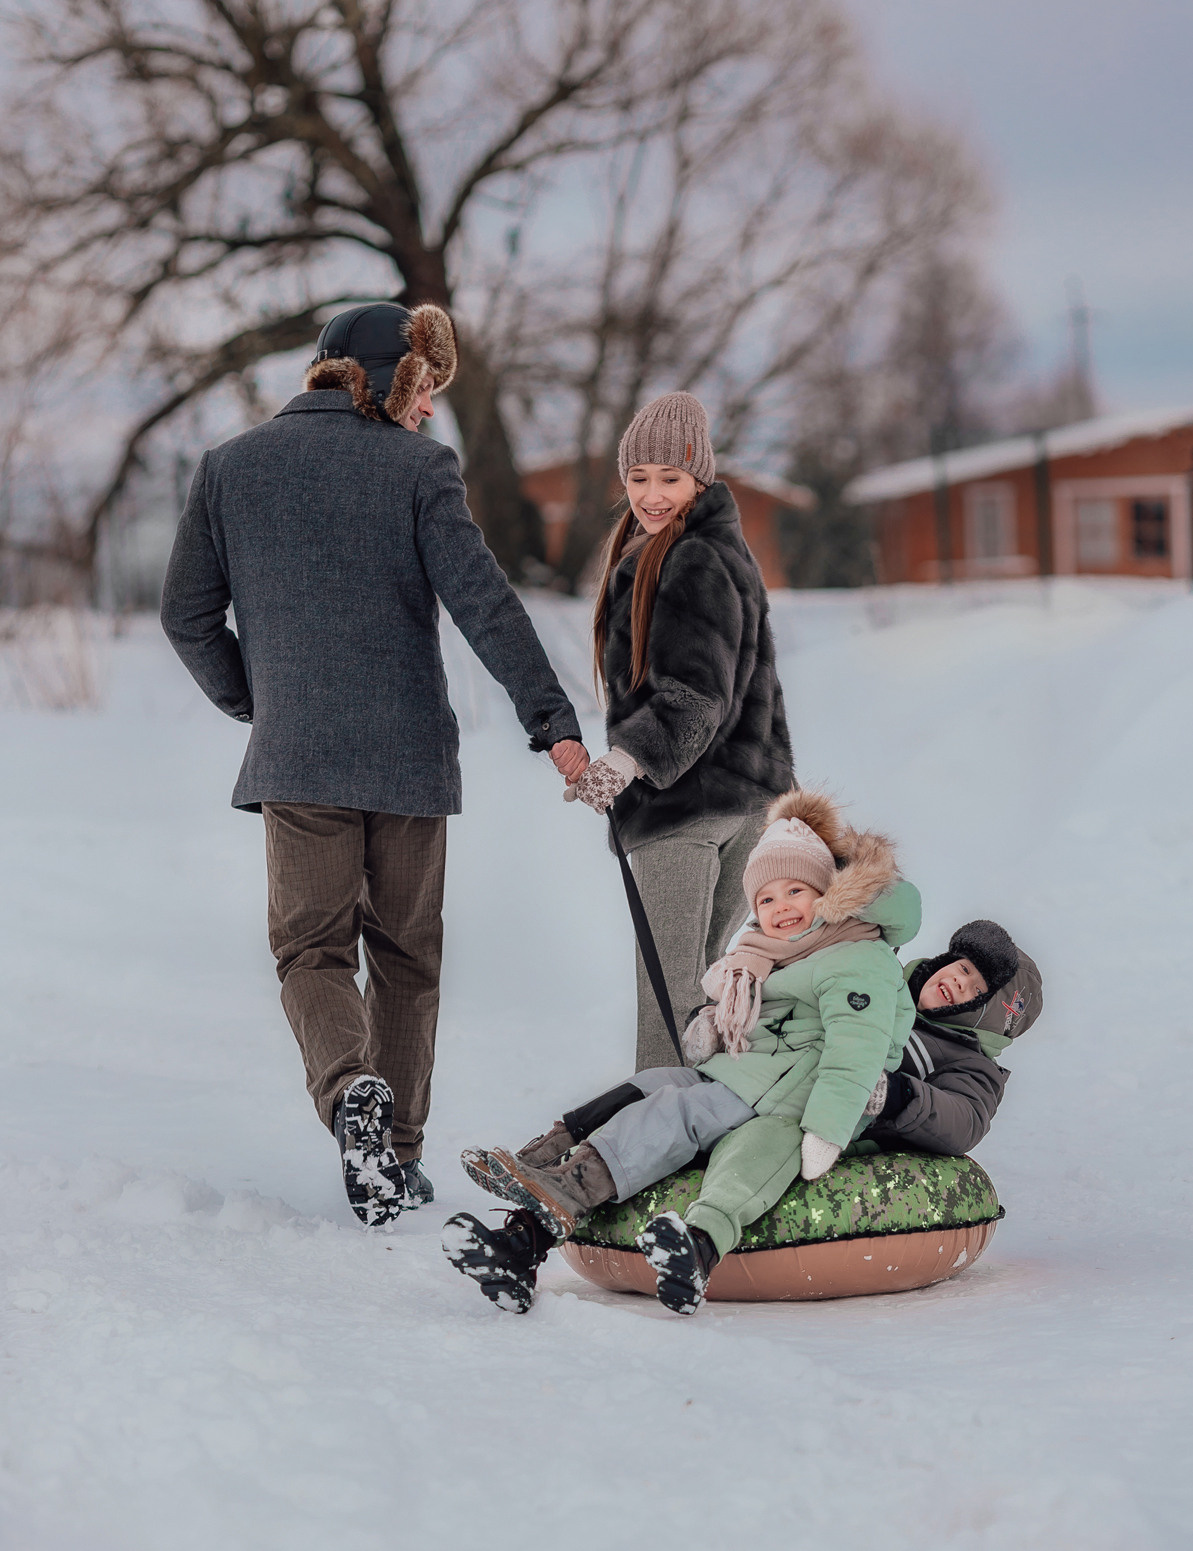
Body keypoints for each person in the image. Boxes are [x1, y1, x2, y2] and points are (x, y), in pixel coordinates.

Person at [160, 300, 587, 1228]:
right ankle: (394, 1151)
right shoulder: (418, 468)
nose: (428, 408)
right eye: (424, 387)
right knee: (406, 954)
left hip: (298, 759)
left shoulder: (229, 467)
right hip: (408, 760)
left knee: (312, 950)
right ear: (383, 378)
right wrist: (550, 719)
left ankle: (350, 1087)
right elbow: (485, 604)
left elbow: (185, 615)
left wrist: (256, 699)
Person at [442, 789, 920, 1314]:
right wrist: (714, 1026)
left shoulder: (856, 955)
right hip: (746, 1076)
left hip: (791, 1097)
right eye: (765, 900)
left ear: (827, 893)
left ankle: (573, 1190)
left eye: (795, 891)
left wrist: (827, 1130)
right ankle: (526, 1224)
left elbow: (857, 1051)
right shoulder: (773, 952)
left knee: (676, 1110)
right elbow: (760, 1021)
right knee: (648, 1085)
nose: (780, 908)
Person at [564, 392, 794, 1070]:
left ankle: (654, 1125)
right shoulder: (716, 549)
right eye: (638, 477)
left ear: (699, 478)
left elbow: (696, 697)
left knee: (667, 1001)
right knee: (700, 999)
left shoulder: (691, 557)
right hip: (746, 801)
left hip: (688, 806)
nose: (651, 494)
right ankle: (702, 1119)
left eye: (669, 477)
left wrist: (625, 761)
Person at [864, 920, 1043, 1155]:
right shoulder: (883, 982)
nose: (961, 982)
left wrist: (895, 1095)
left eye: (978, 991)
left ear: (989, 1021)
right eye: (965, 969)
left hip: (845, 1138)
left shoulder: (971, 1066)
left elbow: (965, 1121)